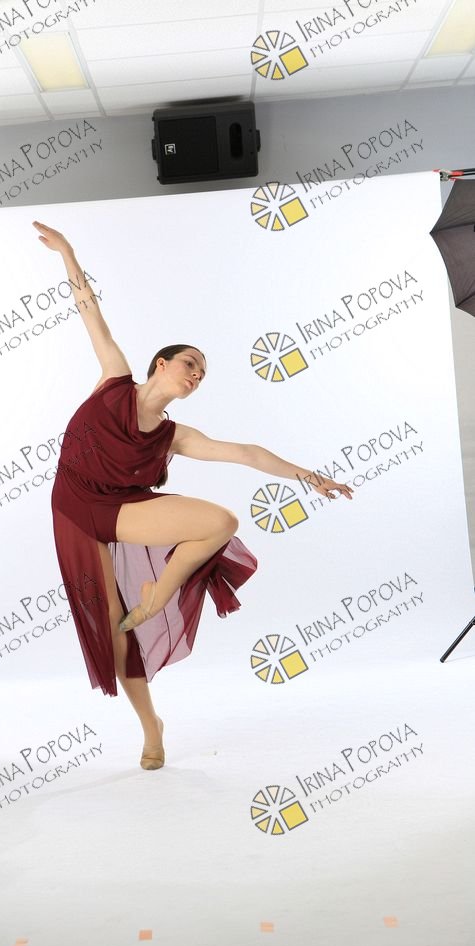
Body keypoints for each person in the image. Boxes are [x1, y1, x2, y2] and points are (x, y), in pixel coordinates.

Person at [33, 221, 353, 771]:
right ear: (161, 364)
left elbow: (246, 453)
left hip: (121, 508)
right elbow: (89, 311)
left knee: (220, 522)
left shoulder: (174, 435)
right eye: (190, 364)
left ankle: (157, 596)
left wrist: (309, 476)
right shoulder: (114, 379)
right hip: (74, 507)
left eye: (202, 374)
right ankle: (151, 727)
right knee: (111, 629)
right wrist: (67, 253)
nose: (197, 375)